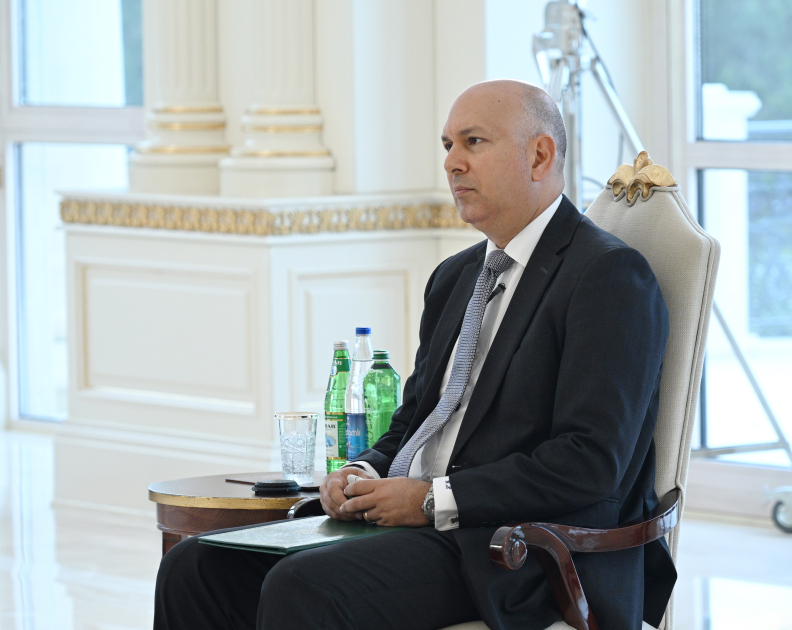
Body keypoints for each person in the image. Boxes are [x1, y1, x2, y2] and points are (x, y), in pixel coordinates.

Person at [154, 80, 674, 630]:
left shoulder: (607, 276)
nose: (452, 162)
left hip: (520, 550)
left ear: (539, 156)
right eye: (448, 145)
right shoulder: (456, 276)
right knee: (196, 566)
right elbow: (416, 419)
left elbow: (589, 462)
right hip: (423, 530)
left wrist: (430, 499)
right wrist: (360, 470)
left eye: (473, 142)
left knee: (303, 585)